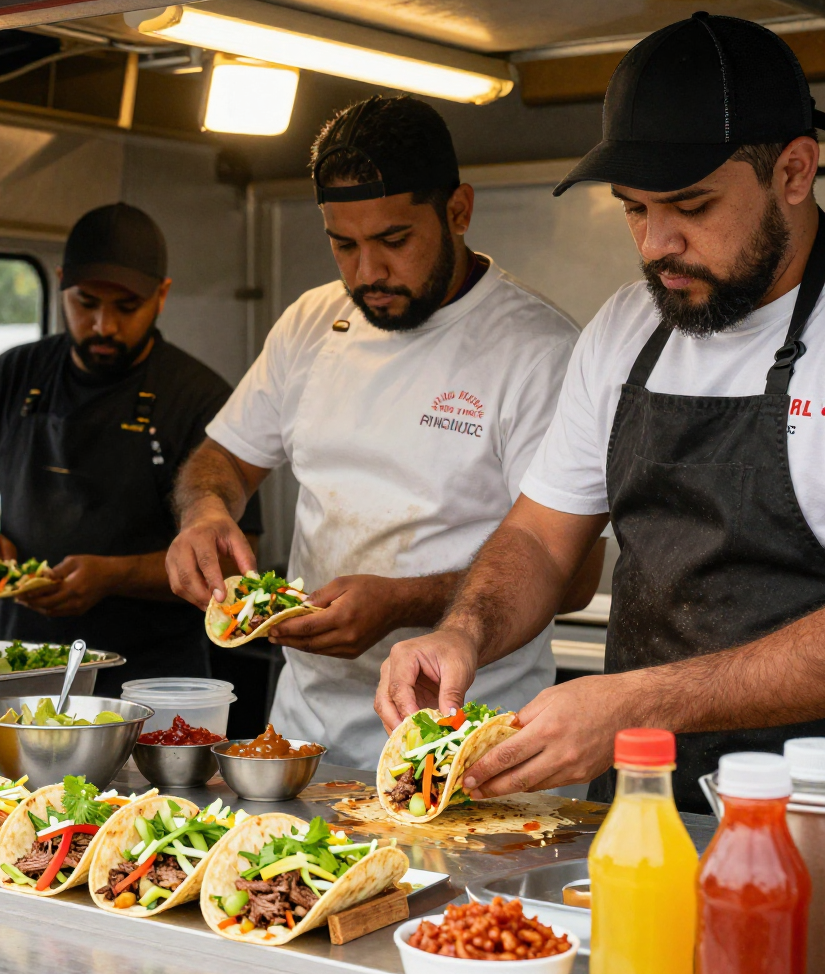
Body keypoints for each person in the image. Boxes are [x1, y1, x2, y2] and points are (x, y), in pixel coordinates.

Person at [378, 13, 825, 811]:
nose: (654, 245)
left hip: (824, 816)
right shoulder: (627, 327)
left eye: (690, 204)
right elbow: (543, 536)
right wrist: (462, 631)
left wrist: (638, 705)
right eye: (634, 209)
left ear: (793, 171)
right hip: (636, 807)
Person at [167, 95, 597, 767]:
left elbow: (573, 576)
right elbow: (224, 458)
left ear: (458, 211)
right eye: (344, 245)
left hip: (465, 744)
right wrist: (204, 512)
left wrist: (401, 602)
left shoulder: (538, 350)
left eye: (394, 241)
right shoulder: (311, 322)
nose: (367, 273)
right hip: (304, 740)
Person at [0, 202, 260, 686]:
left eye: (126, 307)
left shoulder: (198, 396)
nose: (104, 325)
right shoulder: (14, 375)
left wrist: (116, 575)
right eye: (86, 303)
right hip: (22, 663)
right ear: (61, 282)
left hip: (152, 680)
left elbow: (237, 555)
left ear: (162, 296)